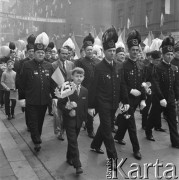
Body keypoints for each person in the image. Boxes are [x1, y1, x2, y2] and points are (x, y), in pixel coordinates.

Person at [88, 27, 129, 159]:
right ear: (104, 52)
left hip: (114, 103)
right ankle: (113, 157)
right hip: (102, 103)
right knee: (107, 130)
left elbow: (122, 84)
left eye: (113, 51)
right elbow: (93, 88)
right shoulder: (98, 67)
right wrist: (90, 106)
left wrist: (125, 101)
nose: (112, 53)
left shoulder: (119, 66)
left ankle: (95, 145)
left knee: (105, 126)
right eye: (109, 51)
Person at [114, 30, 146, 160]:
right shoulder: (123, 65)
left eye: (137, 50)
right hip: (126, 101)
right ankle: (136, 149)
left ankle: (117, 137)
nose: (135, 52)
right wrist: (129, 91)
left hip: (137, 100)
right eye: (132, 50)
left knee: (124, 120)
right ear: (128, 50)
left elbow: (143, 83)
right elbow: (121, 84)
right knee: (132, 125)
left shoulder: (141, 65)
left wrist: (143, 99)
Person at [19, 41, 55, 152]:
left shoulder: (49, 66)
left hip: (44, 100)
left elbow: (53, 83)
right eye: (38, 52)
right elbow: (21, 82)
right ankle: (36, 140)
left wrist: (55, 97)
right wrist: (22, 98)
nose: (40, 54)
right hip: (31, 100)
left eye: (42, 52)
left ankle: (37, 136)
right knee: (33, 121)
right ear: (34, 53)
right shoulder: (27, 65)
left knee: (40, 121)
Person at [145, 36, 179, 148]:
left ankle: (175, 141)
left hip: (170, 98)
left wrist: (177, 97)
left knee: (173, 120)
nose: (170, 56)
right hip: (159, 99)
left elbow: (175, 84)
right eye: (167, 54)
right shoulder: (158, 67)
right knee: (154, 116)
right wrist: (161, 98)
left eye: (171, 54)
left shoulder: (174, 68)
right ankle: (148, 131)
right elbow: (156, 84)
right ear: (163, 55)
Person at [58, 67, 88, 175]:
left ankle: (69, 156)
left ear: (83, 77)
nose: (79, 78)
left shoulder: (85, 90)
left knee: (72, 141)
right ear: (72, 77)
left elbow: (85, 107)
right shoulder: (66, 88)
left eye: (81, 76)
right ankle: (77, 165)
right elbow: (60, 104)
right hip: (69, 120)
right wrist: (68, 110)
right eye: (76, 76)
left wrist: (84, 120)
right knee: (73, 142)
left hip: (79, 121)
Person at [75, 33, 100, 138]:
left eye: (91, 49)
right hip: (85, 90)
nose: (90, 51)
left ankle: (86, 120)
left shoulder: (97, 61)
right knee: (88, 109)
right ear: (84, 51)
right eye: (88, 50)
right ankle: (90, 130)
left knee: (95, 109)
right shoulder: (80, 62)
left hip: (96, 90)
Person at [52, 47, 74, 140]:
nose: (65, 55)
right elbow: (51, 80)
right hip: (57, 93)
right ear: (59, 54)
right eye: (63, 53)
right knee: (57, 114)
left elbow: (73, 77)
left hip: (68, 93)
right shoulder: (53, 65)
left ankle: (63, 131)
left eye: (67, 53)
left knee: (66, 113)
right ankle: (58, 131)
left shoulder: (71, 64)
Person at [16, 34, 36, 131]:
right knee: (28, 110)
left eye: (33, 51)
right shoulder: (23, 63)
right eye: (30, 51)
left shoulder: (39, 62)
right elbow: (19, 79)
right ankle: (29, 125)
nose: (32, 53)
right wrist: (21, 96)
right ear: (27, 52)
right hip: (27, 91)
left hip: (36, 91)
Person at [141, 50, 164, 131]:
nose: (158, 62)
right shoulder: (147, 68)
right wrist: (147, 90)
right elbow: (144, 81)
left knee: (156, 108)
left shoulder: (157, 68)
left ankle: (158, 125)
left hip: (156, 92)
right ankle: (144, 124)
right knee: (146, 109)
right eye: (157, 60)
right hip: (149, 91)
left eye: (159, 60)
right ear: (152, 59)